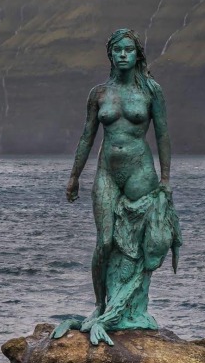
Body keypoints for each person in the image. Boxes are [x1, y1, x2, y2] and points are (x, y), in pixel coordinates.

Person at [51, 28, 181, 345]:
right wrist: (74, 175)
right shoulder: (99, 94)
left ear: (137, 55)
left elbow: (163, 135)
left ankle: (132, 310)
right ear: (110, 55)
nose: (123, 55)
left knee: (138, 244)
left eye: (128, 50)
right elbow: (87, 136)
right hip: (108, 171)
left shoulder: (151, 91)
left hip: (140, 170)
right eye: (117, 50)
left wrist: (166, 179)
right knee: (105, 241)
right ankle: (101, 304)